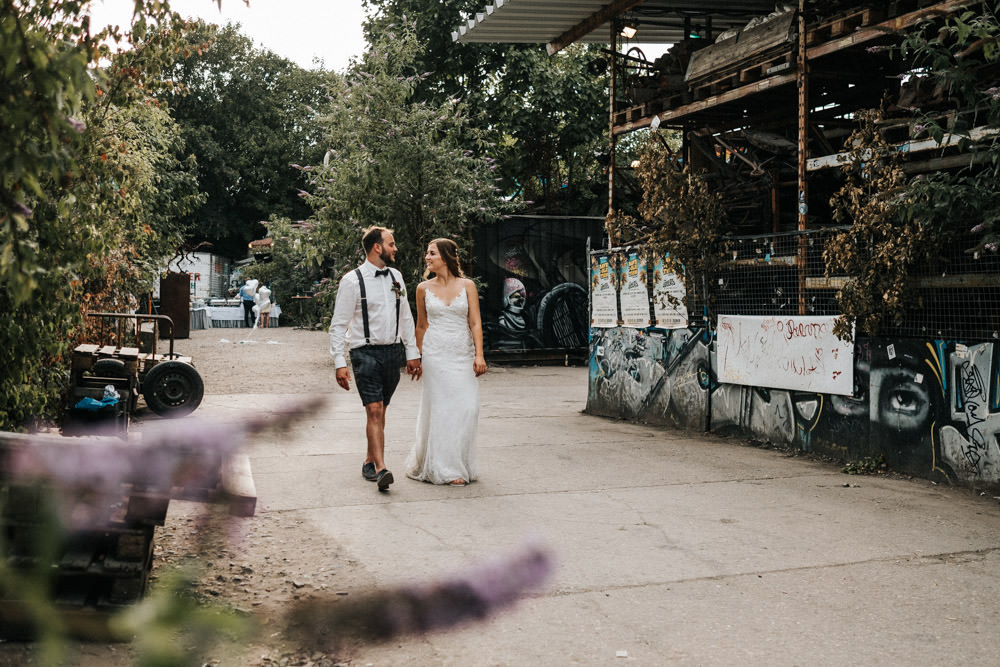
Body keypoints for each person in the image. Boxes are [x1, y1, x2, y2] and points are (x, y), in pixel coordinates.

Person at [329, 227, 422, 492]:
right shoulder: (351, 280)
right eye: (392, 244)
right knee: (374, 409)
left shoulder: (397, 277)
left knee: (382, 411)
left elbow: (405, 316)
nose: (396, 249)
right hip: (364, 351)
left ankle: (370, 460)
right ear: (377, 247)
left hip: (393, 352)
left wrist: (412, 353)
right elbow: (338, 325)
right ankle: (381, 469)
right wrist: (339, 362)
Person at [404, 238, 487, 486]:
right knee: (441, 410)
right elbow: (421, 325)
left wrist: (479, 354)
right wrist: (416, 357)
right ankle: (447, 469)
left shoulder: (468, 285)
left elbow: (475, 322)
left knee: (467, 408)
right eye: (427, 254)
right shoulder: (422, 288)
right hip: (435, 354)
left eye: (432, 254)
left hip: (462, 353)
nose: (427, 258)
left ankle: (460, 461)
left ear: (446, 257)